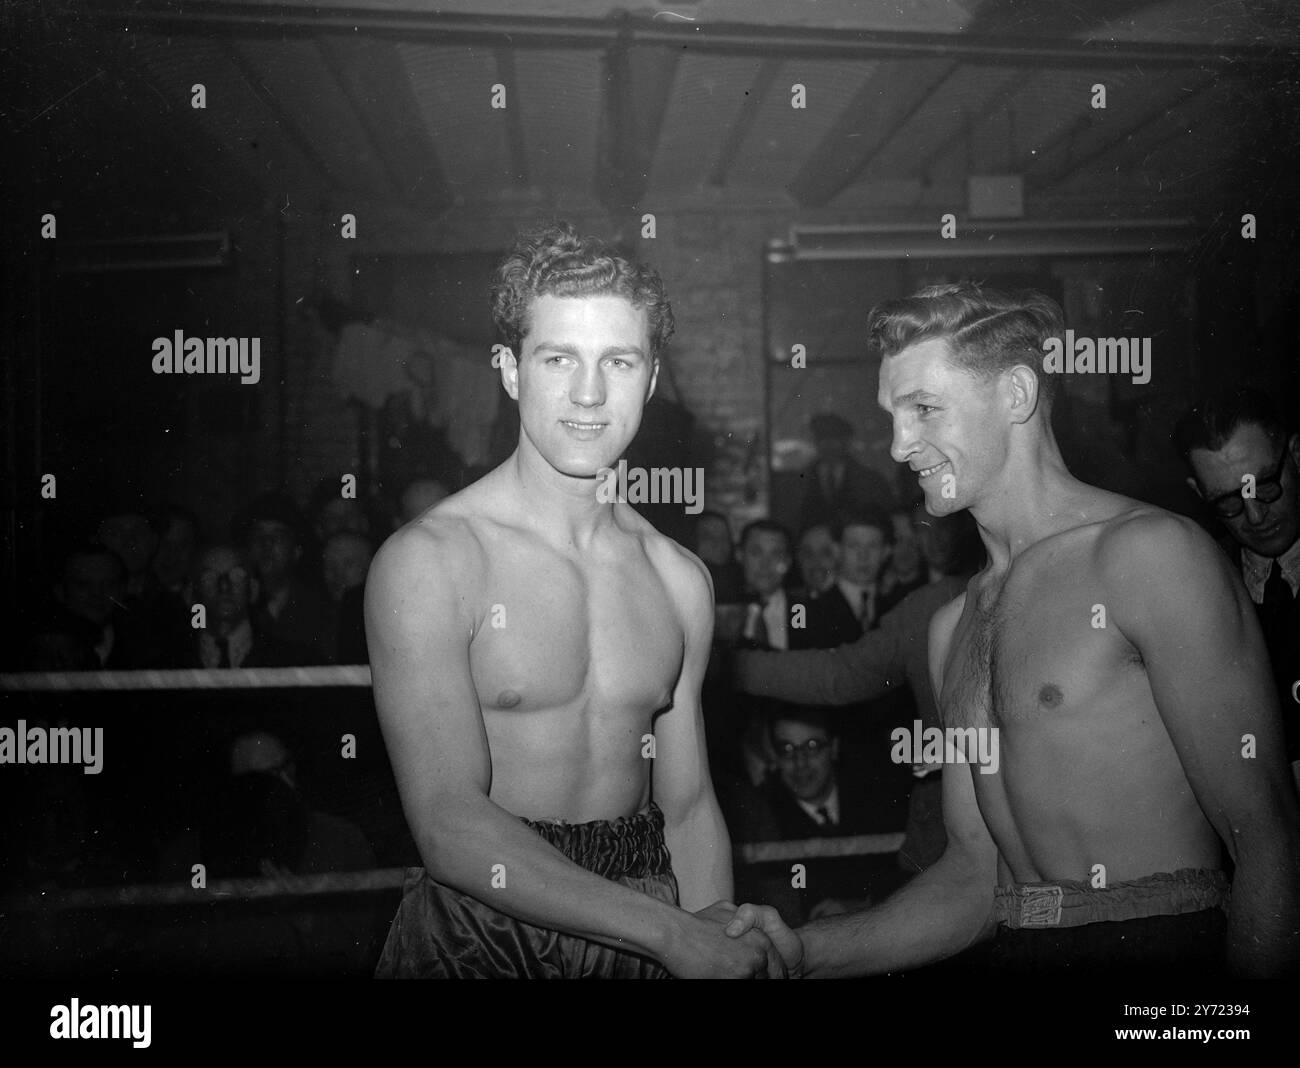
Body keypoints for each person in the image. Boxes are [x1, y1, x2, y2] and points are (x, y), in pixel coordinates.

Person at [727, 282, 1300, 978]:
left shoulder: (1147, 556)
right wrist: (798, 953)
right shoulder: (952, 626)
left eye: (924, 410)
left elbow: (1268, 840)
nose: (900, 446)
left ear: (1016, 395)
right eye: (893, 417)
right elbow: (975, 883)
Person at [366, 222, 784, 978]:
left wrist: (706, 939)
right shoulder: (431, 561)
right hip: (480, 929)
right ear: (510, 369)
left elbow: (686, 810)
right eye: (559, 358)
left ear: (652, 380)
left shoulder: (679, 577)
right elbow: (449, 823)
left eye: (618, 362)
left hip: (645, 909)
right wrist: (669, 933)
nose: (589, 395)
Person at [1175, 387, 1300, 773]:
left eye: (1265, 486)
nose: (1256, 517)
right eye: (1227, 501)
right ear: (1198, 494)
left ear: (1297, 456)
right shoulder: (1196, 588)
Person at [799, 412, 895, 530]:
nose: (829, 445)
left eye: (835, 439)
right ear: (816, 442)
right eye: (822, 438)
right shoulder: (801, 480)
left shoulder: (870, 481)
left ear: (846, 442)